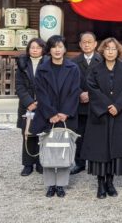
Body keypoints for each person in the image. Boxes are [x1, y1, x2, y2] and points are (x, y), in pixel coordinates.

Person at [81, 38, 122, 199]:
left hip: (118, 115)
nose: (110, 51)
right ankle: (100, 183)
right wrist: (107, 106)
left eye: (113, 49)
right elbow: (92, 89)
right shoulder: (95, 69)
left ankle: (110, 182)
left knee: (115, 149)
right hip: (100, 115)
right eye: (107, 49)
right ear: (102, 51)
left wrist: (118, 106)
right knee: (100, 150)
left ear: (118, 51)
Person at [30, 35, 81, 198]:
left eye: (60, 46)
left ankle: (61, 184)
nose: (57, 50)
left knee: (64, 148)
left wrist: (65, 112)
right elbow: (41, 93)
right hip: (47, 115)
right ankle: (50, 184)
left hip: (66, 115)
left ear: (65, 49)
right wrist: (51, 113)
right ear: (49, 50)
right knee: (49, 148)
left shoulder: (73, 68)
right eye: (54, 47)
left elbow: (75, 92)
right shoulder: (43, 69)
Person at [70, 32, 103, 175]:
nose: (87, 44)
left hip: (96, 103)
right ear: (80, 44)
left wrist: (90, 94)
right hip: (80, 104)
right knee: (80, 134)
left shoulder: (101, 60)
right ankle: (80, 162)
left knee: (96, 134)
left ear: (95, 44)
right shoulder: (73, 62)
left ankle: (95, 161)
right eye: (84, 42)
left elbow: (105, 82)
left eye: (90, 42)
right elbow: (70, 83)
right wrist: (79, 93)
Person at [15, 38, 46, 177]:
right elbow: (19, 86)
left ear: (43, 49)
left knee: (42, 134)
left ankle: (41, 162)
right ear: (28, 49)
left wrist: (40, 101)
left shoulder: (48, 63)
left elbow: (49, 85)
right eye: (32, 47)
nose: (35, 50)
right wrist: (29, 102)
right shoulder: (22, 64)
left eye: (38, 47)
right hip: (26, 105)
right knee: (27, 134)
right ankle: (28, 164)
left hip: (43, 104)